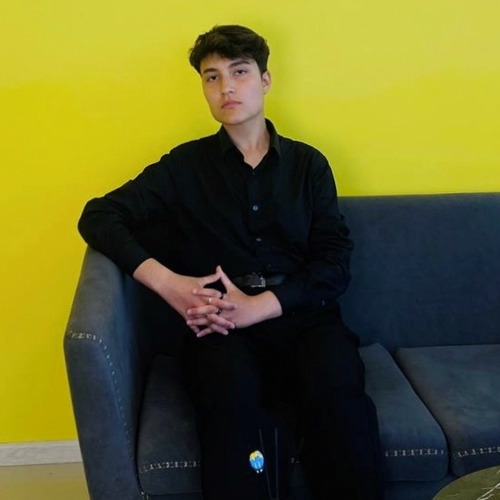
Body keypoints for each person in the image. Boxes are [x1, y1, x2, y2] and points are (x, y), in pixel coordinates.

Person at [78, 24, 383, 500]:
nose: (226, 88)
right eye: (212, 77)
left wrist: (260, 305)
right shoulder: (183, 166)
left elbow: (334, 262)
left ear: (265, 80)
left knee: (338, 393)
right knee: (229, 401)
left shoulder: (308, 165)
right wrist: (170, 284)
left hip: (302, 315)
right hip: (218, 325)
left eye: (239, 72)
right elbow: (98, 215)